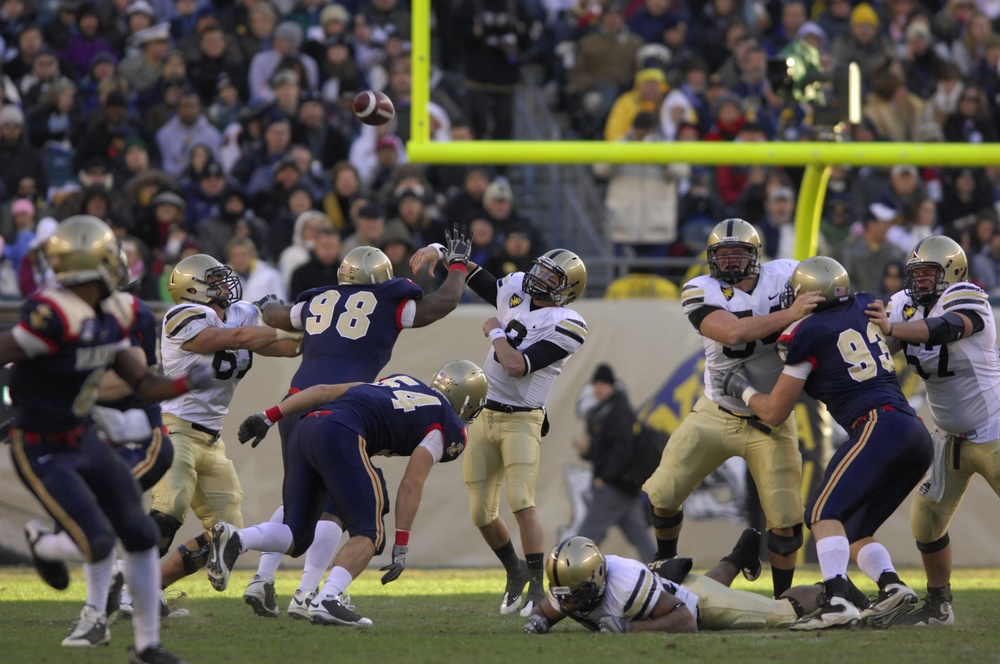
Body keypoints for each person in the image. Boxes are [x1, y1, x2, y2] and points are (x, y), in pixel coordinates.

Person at [9, 215, 214, 664]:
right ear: (102, 261)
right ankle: (43, 543)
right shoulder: (53, 311)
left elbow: (141, 382)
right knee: (98, 540)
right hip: (41, 442)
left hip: (83, 436)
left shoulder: (116, 311)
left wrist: (186, 383)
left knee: (139, 534)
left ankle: (146, 646)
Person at [240, 235, 472, 620]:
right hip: (341, 407)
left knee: (302, 498)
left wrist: (266, 306)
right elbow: (443, 303)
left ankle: (262, 579)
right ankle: (308, 593)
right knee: (340, 505)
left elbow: (279, 316)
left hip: (296, 401)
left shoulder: (318, 300)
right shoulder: (386, 303)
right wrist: (459, 265)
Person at [717, 256, 933, 630]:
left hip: (876, 424)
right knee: (851, 531)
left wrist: (742, 388)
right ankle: (892, 585)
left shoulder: (805, 334)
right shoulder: (863, 305)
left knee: (819, 513)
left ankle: (835, 599)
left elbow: (773, 412)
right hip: (914, 432)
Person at [206, 360, 490, 627]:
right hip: (342, 432)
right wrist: (402, 543)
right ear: (466, 403)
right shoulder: (446, 424)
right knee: (370, 532)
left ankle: (238, 538)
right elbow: (411, 483)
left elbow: (322, 392)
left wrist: (269, 416)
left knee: (297, 536)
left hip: (307, 427)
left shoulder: (400, 380)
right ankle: (328, 598)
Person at [643, 219, 823, 598]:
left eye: (738, 254)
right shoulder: (699, 289)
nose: (729, 263)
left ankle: (782, 599)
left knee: (786, 523)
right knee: (662, 494)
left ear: (756, 256)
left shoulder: (787, 275)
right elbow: (734, 333)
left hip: (771, 418)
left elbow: (831, 286)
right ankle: (664, 563)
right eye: (722, 255)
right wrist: (792, 315)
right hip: (717, 410)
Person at [410, 243, 588, 616]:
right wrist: (442, 252)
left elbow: (516, 366)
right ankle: (515, 571)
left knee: (522, 502)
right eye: (539, 270)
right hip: (484, 415)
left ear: (566, 289)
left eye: (551, 278)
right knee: (480, 513)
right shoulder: (519, 288)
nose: (538, 280)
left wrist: (494, 332)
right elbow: (476, 275)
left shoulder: (567, 323)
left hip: (522, 419)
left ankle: (539, 589)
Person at [141, 253, 303, 606]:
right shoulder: (181, 315)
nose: (223, 285)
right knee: (170, 507)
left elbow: (285, 347)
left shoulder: (240, 312)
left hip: (212, 439)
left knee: (226, 533)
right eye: (213, 280)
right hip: (174, 428)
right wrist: (279, 327)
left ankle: (150, 590)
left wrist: (314, 336)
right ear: (192, 287)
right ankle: (126, 586)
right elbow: (238, 338)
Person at [866, 236, 999, 626]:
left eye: (929, 274)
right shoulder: (901, 305)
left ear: (952, 273)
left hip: (992, 430)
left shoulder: (969, 295)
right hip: (949, 437)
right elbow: (882, 346)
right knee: (926, 521)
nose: (921, 282)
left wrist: (894, 326)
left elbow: (943, 329)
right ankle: (939, 607)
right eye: (916, 274)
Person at [521, 532, 825, 635]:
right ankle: (738, 556)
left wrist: (633, 628)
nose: (570, 603)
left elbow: (686, 618)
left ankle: (834, 592)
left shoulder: (625, 584)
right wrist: (537, 622)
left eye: (577, 594)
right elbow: (547, 611)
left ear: (598, 578)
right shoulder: (572, 586)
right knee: (696, 586)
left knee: (782, 612)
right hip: (670, 590)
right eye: (565, 595)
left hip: (697, 605)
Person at [571, 364, 655, 562]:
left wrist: (605, 478)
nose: (598, 389)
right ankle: (660, 570)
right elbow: (604, 452)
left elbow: (624, 450)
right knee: (640, 537)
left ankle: (571, 569)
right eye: (596, 384)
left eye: (603, 384)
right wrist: (587, 450)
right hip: (625, 488)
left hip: (614, 486)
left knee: (586, 535)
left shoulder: (617, 410)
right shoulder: (604, 410)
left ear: (612, 386)